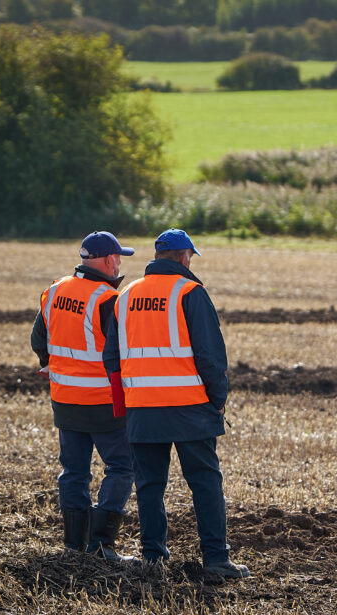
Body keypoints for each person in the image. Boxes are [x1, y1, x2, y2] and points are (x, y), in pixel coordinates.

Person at [102, 228, 249, 579]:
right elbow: (211, 357)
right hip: (190, 408)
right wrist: (218, 401)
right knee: (205, 483)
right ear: (184, 257)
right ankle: (216, 559)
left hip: (142, 410)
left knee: (150, 486)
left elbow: (112, 359)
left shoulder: (125, 296)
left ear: (157, 256)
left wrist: (130, 401)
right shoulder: (190, 292)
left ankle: (153, 558)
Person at [31, 231, 137, 562]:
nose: (120, 263)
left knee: (74, 472)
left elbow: (39, 339)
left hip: (64, 400)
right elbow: (121, 352)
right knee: (122, 467)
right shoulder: (107, 300)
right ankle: (102, 545)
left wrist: (50, 365)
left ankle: (74, 545)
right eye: (119, 257)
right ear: (107, 261)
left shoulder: (54, 291)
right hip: (103, 403)